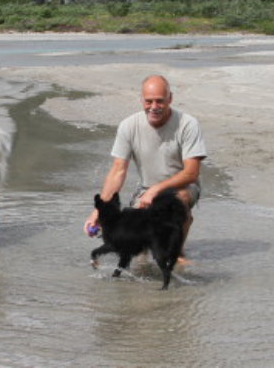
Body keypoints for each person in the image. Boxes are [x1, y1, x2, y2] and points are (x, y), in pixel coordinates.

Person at [84, 74, 207, 259]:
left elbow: (191, 173)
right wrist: (99, 209)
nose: (154, 107)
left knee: (177, 200)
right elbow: (117, 172)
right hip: (146, 189)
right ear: (141, 100)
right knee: (140, 256)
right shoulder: (128, 126)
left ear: (170, 98)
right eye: (149, 101)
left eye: (160, 101)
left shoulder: (188, 125)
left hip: (183, 187)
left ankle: (178, 252)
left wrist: (156, 190)